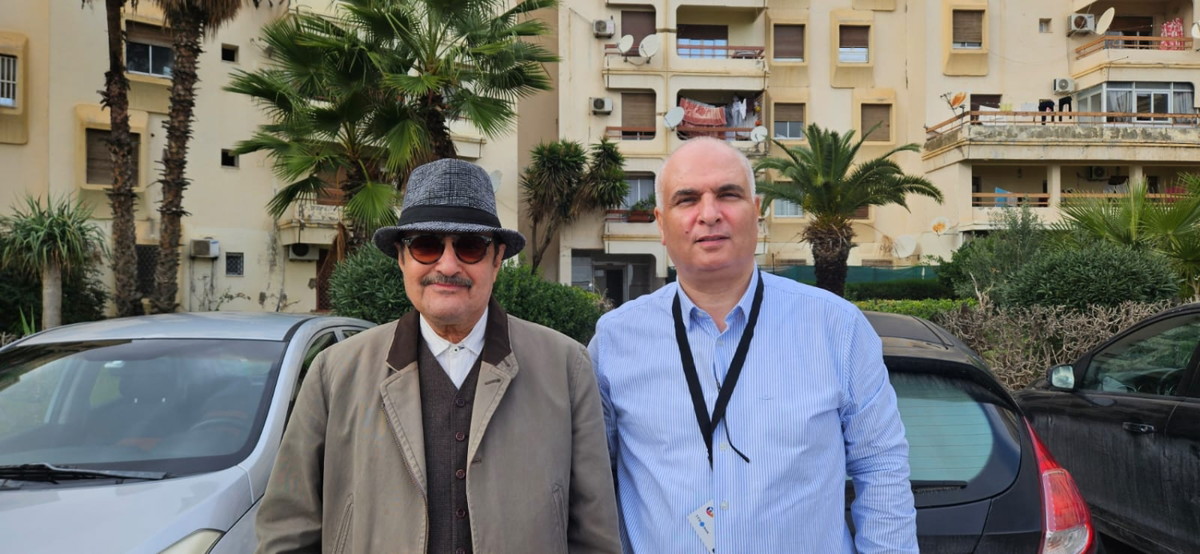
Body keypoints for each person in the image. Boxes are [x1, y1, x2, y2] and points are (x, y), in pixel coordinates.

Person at [256, 158, 620, 553]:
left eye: (470, 246)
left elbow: (594, 534)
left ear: (497, 259)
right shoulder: (335, 372)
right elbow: (288, 528)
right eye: (426, 245)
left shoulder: (566, 368)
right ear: (402, 258)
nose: (448, 265)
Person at [588, 138, 917, 553]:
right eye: (687, 199)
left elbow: (881, 469)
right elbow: (591, 481)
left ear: (756, 211)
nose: (709, 214)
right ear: (661, 223)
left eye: (728, 194)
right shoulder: (614, 340)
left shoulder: (837, 328)